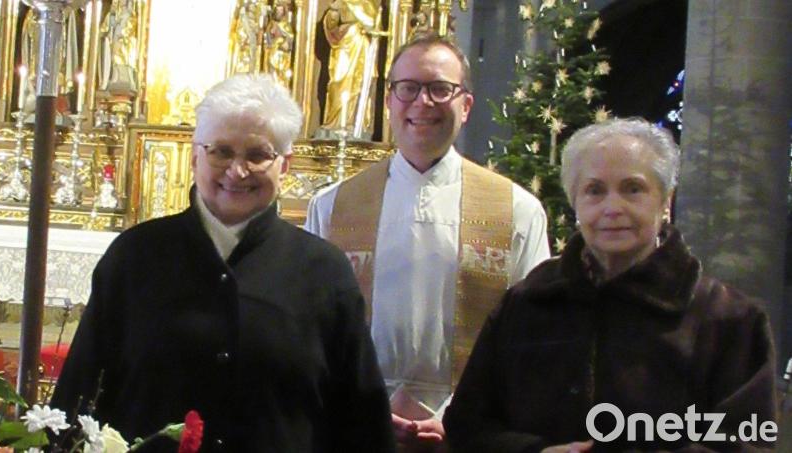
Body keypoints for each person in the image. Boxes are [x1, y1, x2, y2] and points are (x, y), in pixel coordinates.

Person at [51, 75, 395, 453]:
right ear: (195, 156)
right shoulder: (134, 256)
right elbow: (80, 392)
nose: (237, 171)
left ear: (285, 165)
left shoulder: (324, 271)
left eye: (257, 155)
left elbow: (361, 418)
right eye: (221, 152)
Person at [444, 118, 777, 452]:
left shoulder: (729, 319)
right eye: (595, 190)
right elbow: (467, 426)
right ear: (575, 202)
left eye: (633, 189)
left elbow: (748, 443)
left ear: (666, 202)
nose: (613, 208)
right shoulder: (527, 302)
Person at [305, 32, 550, 451]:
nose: (423, 102)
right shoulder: (331, 206)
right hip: (356, 426)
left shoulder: (517, 209)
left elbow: (530, 334)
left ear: (466, 106)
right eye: (408, 88)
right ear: (389, 100)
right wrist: (370, 410)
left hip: (472, 430)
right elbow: (313, 328)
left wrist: (458, 416)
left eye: (440, 89)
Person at [320, 0, 379, 130]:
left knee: (356, 83)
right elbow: (331, 25)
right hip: (343, 43)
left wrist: (362, 19)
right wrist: (333, 12)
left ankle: (352, 122)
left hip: (359, 44)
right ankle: (334, 121)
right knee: (337, 81)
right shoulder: (341, 2)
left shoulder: (365, 3)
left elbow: (373, 24)